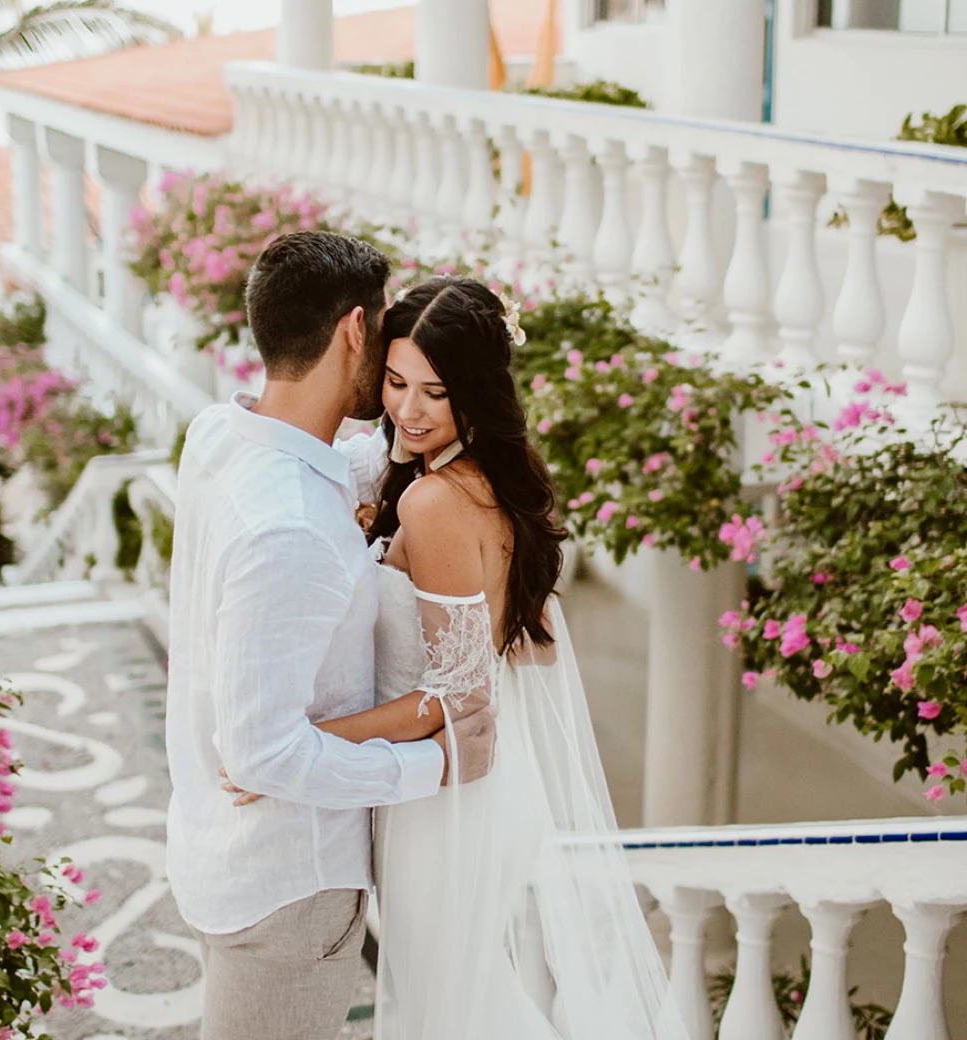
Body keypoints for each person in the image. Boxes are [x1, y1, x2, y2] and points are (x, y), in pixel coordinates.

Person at [225, 275, 691, 1040]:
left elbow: (461, 696)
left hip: (444, 801)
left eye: (434, 393)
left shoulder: (435, 501)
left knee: (451, 1013)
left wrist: (298, 747)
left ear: (473, 392)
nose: (407, 410)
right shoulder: (471, 484)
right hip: (475, 789)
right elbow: (524, 653)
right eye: (397, 382)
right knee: (468, 1004)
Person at [164, 233, 498, 1040]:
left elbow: (349, 465)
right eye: (385, 337)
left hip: (218, 848)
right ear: (356, 329)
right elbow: (265, 758)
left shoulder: (219, 435)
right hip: (290, 891)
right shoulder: (297, 528)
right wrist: (434, 762)